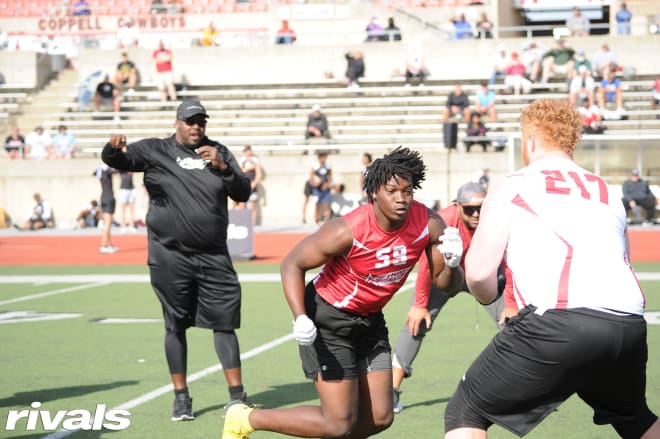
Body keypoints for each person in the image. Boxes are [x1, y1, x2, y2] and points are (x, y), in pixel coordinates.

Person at [444, 98, 660, 438]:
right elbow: (623, 257)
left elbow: (478, 273)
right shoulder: (606, 190)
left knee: (465, 411)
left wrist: (489, 300)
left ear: (529, 140)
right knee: (635, 418)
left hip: (562, 321)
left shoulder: (514, 183)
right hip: (628, 323)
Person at [221, 147, 465, 439]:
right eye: (392, 191)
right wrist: (300, 317)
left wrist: (452, 263)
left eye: (408, 191)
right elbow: (292, 264)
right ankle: (246, 418)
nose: (401, 198)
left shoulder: (428, 223)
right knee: (337, 423)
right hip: (327, 321)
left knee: (380, 417)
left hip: (370, 322)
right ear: (375, 192)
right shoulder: (349, 229)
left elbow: (445, 285)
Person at [102, 100, 252, 421]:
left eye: (201, 122)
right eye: (190, 121)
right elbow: (120, 161)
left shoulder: (219, 152)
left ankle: (237, 397)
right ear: (177, 123)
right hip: (169, 255)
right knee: (175, 324)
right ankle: (181, 398)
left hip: (214, 256)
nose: (196, 127)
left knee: (225, 324)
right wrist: (112, 148)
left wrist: (224, 168)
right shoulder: (156, 150)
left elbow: (243, 192)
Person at [391, 181, 507, 414]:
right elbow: (426, 262)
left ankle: (525, 392)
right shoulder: (442, 220)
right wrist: (419, 305)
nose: (476, 214)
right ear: (457, 206)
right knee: (416, 322)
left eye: (480, 208)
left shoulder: (496, 219)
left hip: (483, 275)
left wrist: (511, 304)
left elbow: (508, 261)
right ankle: (391, 391)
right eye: (469, 209)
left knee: (514, 326)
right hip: (445, 274)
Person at [236, 145, 263, 226]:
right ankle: (242, 223)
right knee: (242, 205)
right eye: (246, 150)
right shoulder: (242, 161)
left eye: (249, 150)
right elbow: (239, 173)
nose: (248, 152)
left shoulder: (255, 161)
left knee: (252, 206)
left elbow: (259, 175)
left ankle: (252, 224)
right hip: (244, 185)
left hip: (252, 186)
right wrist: (249, 168)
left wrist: (254, 183)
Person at [95, 164, 118, 253]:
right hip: (109, 198)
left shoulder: (100, 171)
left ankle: (108, 244)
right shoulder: (107, 171)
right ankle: (104, 245)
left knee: (107, 223)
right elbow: (116, 171)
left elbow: (94, 173)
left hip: (104, 197)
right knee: (108, 224)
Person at [309, 150, 333, 225]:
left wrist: (327, 184)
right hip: (317, 189)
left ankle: (327, 221)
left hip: (326, 189)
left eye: (325, 157)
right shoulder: (315, 166)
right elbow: (311, 177)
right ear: (319, 158)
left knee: (327, 204)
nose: (323, 159)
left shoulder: (328, 166)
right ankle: (316, 220)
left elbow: (330, 176)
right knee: (317, 204)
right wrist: (315, 184)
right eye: (322, 158)